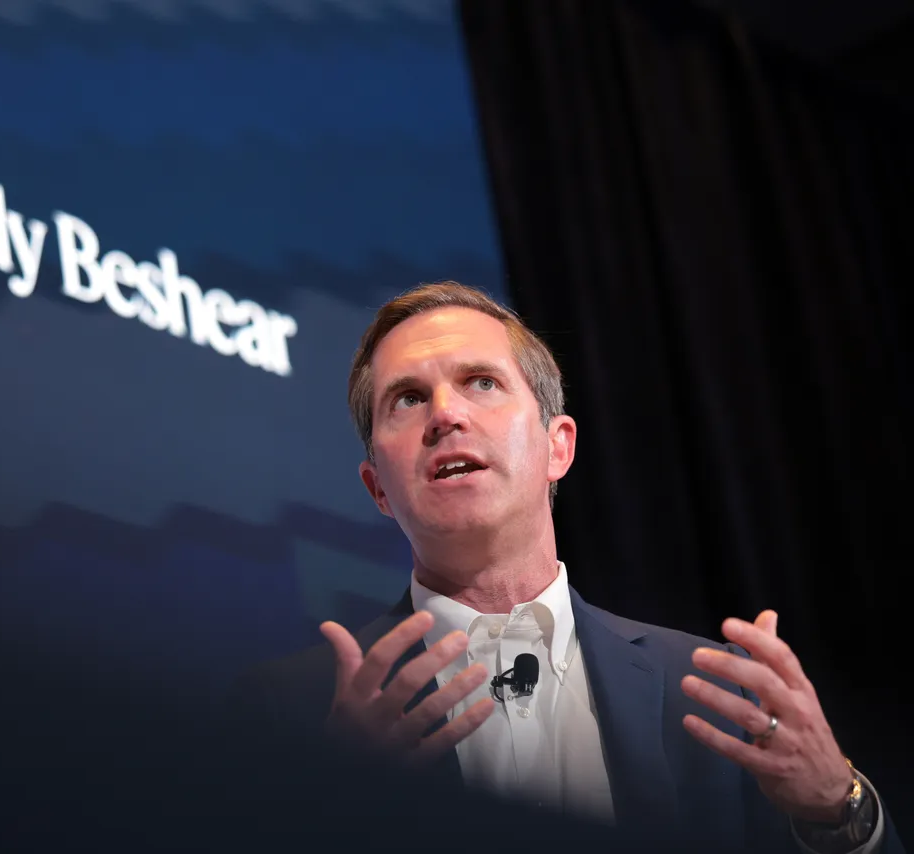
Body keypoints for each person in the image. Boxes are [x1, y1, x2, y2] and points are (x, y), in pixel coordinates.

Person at [232, 282, 902, 854]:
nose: (445, 414)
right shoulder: (289, 712)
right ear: (378, 487)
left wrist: (837, 808)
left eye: (481, 382)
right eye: (407, 399)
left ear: (559, 447)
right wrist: (328, 806)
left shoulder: (715, 697)